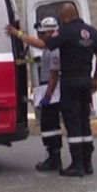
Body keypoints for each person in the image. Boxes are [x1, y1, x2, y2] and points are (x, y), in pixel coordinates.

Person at [6, 3, 97, 177]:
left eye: (61, 17)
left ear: (66, 17)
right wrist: (96, 78)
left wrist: (18, 34)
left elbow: (42, 45)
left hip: (71, 82)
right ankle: (87, 163)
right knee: (84, 122)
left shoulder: (65, 32)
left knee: (73, 123)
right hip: (86, 81)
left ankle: (77, 166)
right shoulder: (92, 32)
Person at [33, 17, 62, 172]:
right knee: (48, 125)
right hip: (47, 88)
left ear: (51, 32)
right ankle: (53, 156)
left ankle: (54, 158)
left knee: (50, 124)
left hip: (51, 90)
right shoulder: (48, 47)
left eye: (43, 33)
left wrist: (48, 94)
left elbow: (54, 74)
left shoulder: (54, 49)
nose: (40, 36)